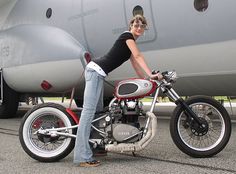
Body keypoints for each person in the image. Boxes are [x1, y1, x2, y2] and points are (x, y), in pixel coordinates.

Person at [74, 14, 162, 167]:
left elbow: (135, 64)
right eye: (136, 25)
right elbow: (138, 55)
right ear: (131, 26)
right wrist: (151, 74)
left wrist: (147, 80)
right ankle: (82, 156)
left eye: (142, 26)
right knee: (89, 113)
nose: (139, 27)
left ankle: (96, 148)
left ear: (145, 28)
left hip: (98, 73)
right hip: (95, 71)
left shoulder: (129, 43)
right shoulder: (127, 36)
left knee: (98, 112)